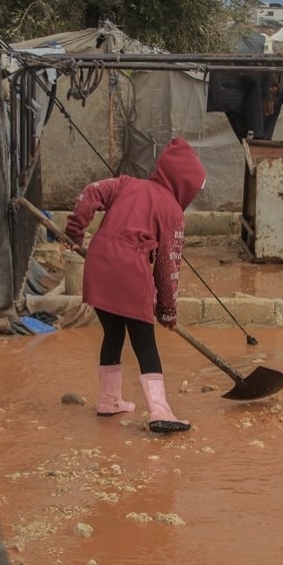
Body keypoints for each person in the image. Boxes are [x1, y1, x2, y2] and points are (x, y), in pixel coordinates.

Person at [64, 137, 206, 434]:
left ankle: (109, 400)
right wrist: (167, 310)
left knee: (113, 334)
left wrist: (75, 231)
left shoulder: (126, 183)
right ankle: (160, 410)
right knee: (145, 343)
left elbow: (91, 193)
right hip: (129, 271)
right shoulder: (173, 212)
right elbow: (168, 267)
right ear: (185, 184)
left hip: (98, 267)